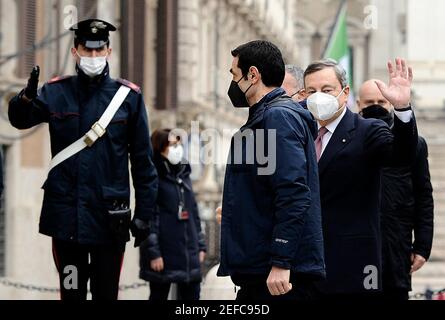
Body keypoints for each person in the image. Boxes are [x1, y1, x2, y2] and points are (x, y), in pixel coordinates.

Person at [8, 19, 158, 300]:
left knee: (105, 295)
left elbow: (143, 164)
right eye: (87, 51)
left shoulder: (128, 98)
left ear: (108, 51)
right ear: (75, 51)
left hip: (109, 223)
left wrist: (144, 216)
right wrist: (26, 97)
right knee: (72, 292)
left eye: (99, 50)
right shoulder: (55, 92)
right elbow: (19, 120)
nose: (93, 57)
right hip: (67, 223)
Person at [217, 40, 325, 301]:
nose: (232, 83)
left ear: (252, 75)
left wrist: (281, 260)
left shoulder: (277, 118)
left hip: (277, 277)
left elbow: (293, 193)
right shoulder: (263, 118)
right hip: (259, 270)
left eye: (234, 74)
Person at [303, 58, 418, 300]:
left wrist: (402, 109)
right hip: (302, 269)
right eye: (311, 91)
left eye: (326, 90)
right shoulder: (298, 134)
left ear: (345, 93)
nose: (318, 97)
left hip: (352, 269)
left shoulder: (367, 130)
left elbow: (401, 154)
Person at [357, 79, 434, 301]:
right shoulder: (347, 140)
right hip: (357, 244)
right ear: (359, 103)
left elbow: (423, 196)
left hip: (395, 244)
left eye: (381, 100)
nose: (376, 105)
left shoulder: (413, 145)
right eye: (370, 101)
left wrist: (422, 246)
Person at [139, 129, 207, 301]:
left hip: (188, 252)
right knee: (159, 295)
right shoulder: (153, 177)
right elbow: (148, 217)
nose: (177, 148)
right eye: (172, 144)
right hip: (163, 253)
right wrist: (153, 253)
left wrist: (201, 245)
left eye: (178, 144)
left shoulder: (184, 174)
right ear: (159, 147)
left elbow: (194, 213)